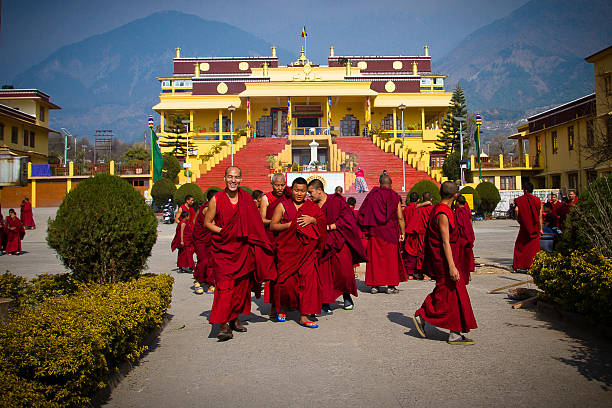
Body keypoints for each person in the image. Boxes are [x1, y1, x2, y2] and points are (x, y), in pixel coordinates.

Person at [204, 166, 274, 341]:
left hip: (242, 250)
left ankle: (234, 317)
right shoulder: (217, 199)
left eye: (236, 177)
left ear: (241, 179)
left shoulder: (247, 200)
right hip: (224, 251)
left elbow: (255, 224)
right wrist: (223, 232)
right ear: (225, 178)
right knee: (225, 287)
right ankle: (222, 324)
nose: (233, 180)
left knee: (240, 288)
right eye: (230, 177)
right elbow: (207, 222)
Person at [413, 181, 477, 345]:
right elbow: (445, 242)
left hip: (446, 258)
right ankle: (426, 316)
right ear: (456, 196)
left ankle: (433, 320)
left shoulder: (439, 209)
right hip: (444, 260)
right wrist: (452, 266)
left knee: (447, 293)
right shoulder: (443, 213)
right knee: (450, 292)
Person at [270, 177, 326, 328]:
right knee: (287, 282)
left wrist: (313, 220)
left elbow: (322, 223)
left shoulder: (312, 207)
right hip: (288, 251)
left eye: (302, 191)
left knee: (308, 282)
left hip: (307, 252)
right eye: (296, 190)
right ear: (292, 190)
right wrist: (291, 225)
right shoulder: (283, 206)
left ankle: (304, 315)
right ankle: (283, 307)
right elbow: (273, 226)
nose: (299, 194)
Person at [308, 179, 366, 312]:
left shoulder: (336, 201)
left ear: (319, 190)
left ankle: (346, 296)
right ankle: (325, 302)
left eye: (311, 192)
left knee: (344, 272)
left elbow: (348, 219)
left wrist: (329, 227)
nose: (309, 195)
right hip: (321, 243)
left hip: (338, 240)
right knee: (324, 274)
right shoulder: (312, 205)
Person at [358, 175, 406, 294]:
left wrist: (366, 230)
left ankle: (375, 286)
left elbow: (363, 213)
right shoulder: (394, 197)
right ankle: (390, 286)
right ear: (390, 184)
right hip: (390, 233)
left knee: (375, 260)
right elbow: (400, 217)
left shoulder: (373, 195)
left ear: (380, 184)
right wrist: (403, 232)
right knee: (391, 260)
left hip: (375, 232)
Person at [259, 173, 291, 311]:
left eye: (282, 185)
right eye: (277, 185)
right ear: (272, 185)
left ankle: (288, 301)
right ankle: (274, 304)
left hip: (287, 238)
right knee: (274, 273)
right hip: (272, 237)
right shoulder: (266, 198)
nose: (279, 188)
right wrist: (276, 222)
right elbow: (261, 219)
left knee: (287, 272)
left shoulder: (288, 196)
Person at [512, 182, 543, 273]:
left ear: (525, 190)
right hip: (535, 227)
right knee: (533, 248)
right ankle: (533, 265)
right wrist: (541, 228)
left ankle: (519, 265)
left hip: (524, 227)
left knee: (520, 246)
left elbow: (517, 210)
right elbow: (540, 215)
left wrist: (518, 219)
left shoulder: (520, 200)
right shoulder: (537, 200)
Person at [192, 189, 218, 294]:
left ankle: (210, 283)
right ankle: (198, 281)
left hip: (208, 238)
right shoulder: (207, 208)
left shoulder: (205, 207)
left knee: (211, 260)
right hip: (201, 240)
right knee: (203, 260)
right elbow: (213, 224)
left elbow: (194, 220)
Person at [405, 192, 434, 280]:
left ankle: (414, 273)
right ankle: (426, 273)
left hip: (418, 234)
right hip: (430, 234)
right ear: (431, 199)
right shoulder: (433, 209)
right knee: (428, 253)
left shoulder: (417, 209)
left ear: (421, 199)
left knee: (417, 253)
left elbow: (413, 224)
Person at [454, 195, 475, 284]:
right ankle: (467, 276)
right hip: (468, 237)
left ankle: (462, 276)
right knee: (467, 259)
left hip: (461, 239)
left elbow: (457, 226)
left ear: (457, 203)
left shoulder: (458, 212)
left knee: (460, 260)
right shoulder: (466, 211)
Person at [402, 192, 420, 279]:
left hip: (407, 232)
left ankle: (408, 272)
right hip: (416, 233)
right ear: (418, 200)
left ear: (409, 199)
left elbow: (402, 220)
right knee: (415, 252)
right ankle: (414, 272)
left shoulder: (405, 209)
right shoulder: (418, 209)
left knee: (407, 252)